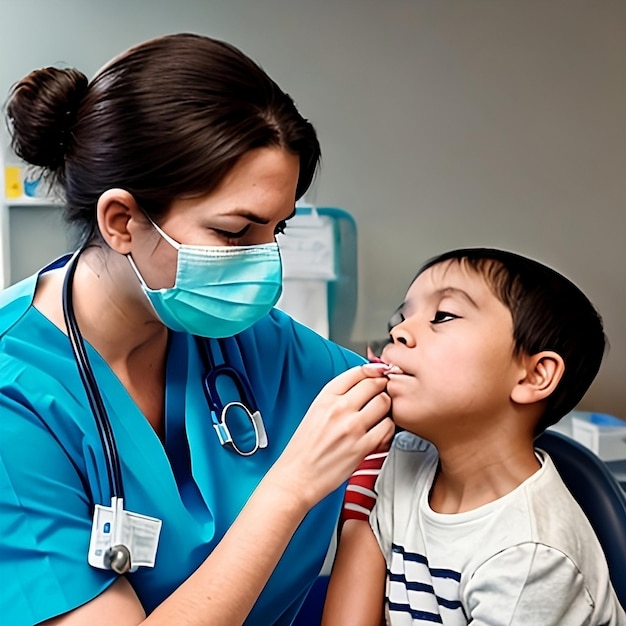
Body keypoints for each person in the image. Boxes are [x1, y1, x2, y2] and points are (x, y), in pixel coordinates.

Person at [0, 33, 396, 625]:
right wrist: (289, 489)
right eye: (236, 234)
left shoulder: (249, 337)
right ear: (122, 221)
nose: (267, 267)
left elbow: (417, 398)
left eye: (277, 232)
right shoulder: (16, 393)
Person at [322, 248, 626, 625]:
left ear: (534, 376)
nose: (397, 331)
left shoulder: (531, 556)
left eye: (442, 316)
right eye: (401, 319)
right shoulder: (404, 455)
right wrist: (364, 489)